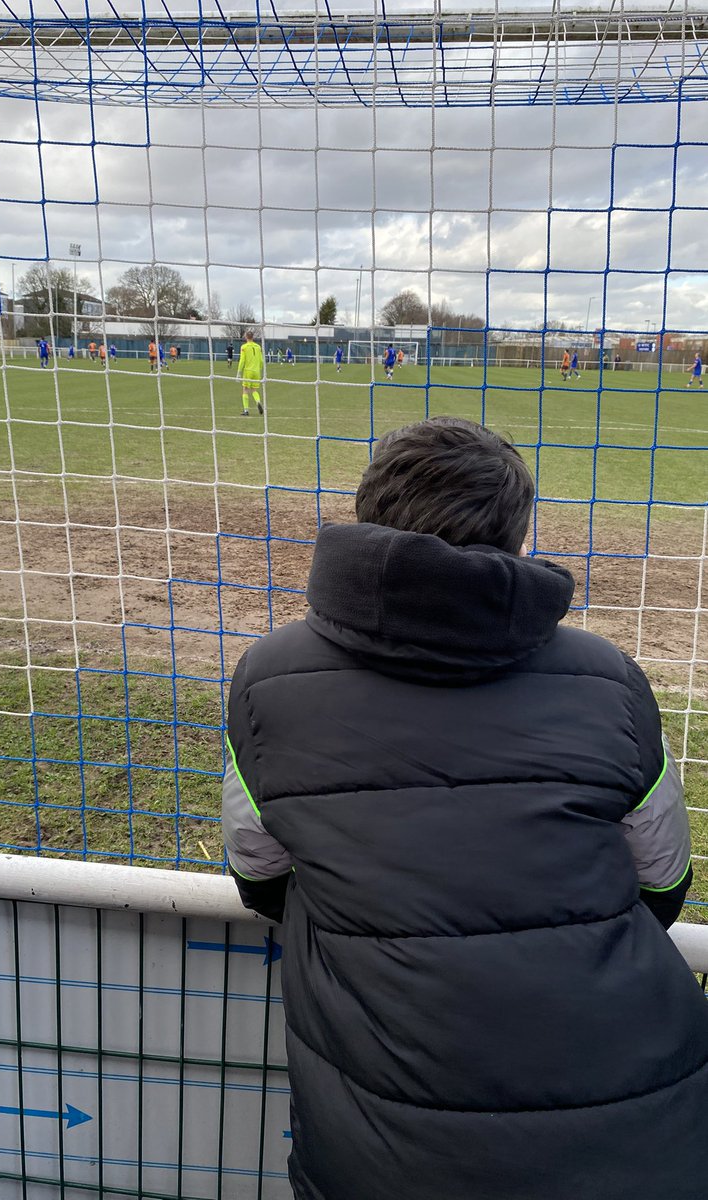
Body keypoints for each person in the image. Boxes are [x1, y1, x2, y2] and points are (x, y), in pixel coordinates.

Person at [223, 415, 708, 1200]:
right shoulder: (610, 679)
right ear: (518, 535)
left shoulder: (267, 678)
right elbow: (664, 881)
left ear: (368, 518)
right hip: (647, 1131)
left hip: (377, 1156)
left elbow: (259, 874)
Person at [237, 329, 264, 417]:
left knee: (245, 390)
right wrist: (260, 369)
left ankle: (246, 410)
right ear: (253, 337)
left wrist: (239, 372)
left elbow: (242, 360)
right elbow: (261, 360)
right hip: (256, 371)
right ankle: (258, 401)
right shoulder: (258, 347)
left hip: (248, 371)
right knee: (254, 390)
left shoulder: (244, 347)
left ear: (246, 337)